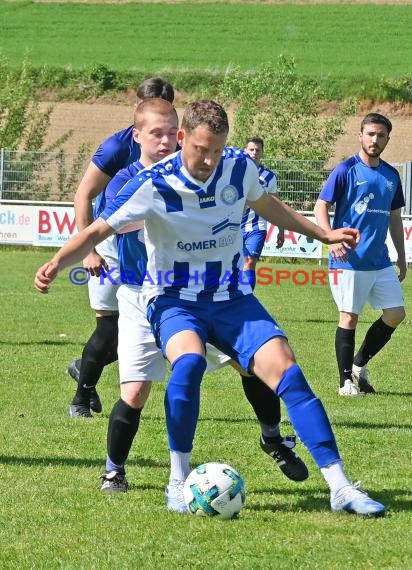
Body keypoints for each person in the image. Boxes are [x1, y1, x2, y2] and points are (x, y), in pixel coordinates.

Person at [34, 100, 385, 517]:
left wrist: (322, 234)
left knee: (288, 372)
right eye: (201, 149)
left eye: (217, 150)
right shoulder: (152, 183)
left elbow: (269, 205)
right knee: (188, 363)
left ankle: (340, 487)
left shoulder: (238, 167)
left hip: (232, 298)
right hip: (174, 300)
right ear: (182, 139)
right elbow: (97, 228)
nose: (209, 159)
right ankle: (178, 482)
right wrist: (57, 263)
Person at [96, 99, 308, 491]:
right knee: (137, 390)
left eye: (168, 132)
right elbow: (112, 226)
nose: (163, 141)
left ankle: (273, 437)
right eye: (155, 133)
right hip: (146, 294)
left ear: (181, 134)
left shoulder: (201, 174)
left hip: (209, 294)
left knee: (251, 365)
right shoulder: (129, 182)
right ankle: (114, 468)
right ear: (137, 135)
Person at [67, 77, 175, 418]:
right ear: (137, 110)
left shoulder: (177, 148)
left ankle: (85, 366)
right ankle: (81, 396)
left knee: (156, 327)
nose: (163, 136)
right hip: (112, 242)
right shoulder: (117, 148)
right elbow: (83, 195)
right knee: (109, 326)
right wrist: (90, 250)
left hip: (156, 246)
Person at [314, 112, 406, 397]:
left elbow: (394, 217)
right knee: (349, 317)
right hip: (348, 259)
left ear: (388, 139)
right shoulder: (345, 170)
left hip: (379, 261)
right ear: (360, 136)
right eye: (370, 134)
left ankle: (358, 364)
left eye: (380, 135)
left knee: (396, 314)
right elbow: (321, 206)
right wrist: (330, 239)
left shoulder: (391, 175)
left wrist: (401, 257)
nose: (375, 139)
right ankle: (345, 383)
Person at [242, 137, 284, 290]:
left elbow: (276, 204)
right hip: (233, 226)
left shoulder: (269, 176)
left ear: (262, 153)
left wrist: (281, 230)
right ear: (245, 151)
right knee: (234, 266)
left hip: (256, 227)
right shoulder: (235, 172)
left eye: (257, 150)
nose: (254, 153)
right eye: (251, 149)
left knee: (250, 263)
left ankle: (247, 301)